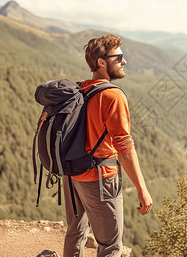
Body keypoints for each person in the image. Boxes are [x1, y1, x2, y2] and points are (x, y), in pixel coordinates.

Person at [63, 34, 153, 257]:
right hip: (100, 178)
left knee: (75, 233)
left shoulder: (80, 89)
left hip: (72, 173)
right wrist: (142, 190)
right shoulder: (113, 96)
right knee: (110, 246)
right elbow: (124, 148)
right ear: (101, 62)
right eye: (119, 57)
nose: (124, 62)